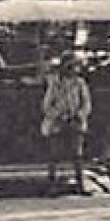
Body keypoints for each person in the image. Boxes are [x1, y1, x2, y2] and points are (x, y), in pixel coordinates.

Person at [40, 52, 92, 196]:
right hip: (58, 122)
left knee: (77, 154)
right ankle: (52, 186)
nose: (76, 69)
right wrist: (57, 115)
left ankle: (80, 184)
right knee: (54, 154)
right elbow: (46, 105)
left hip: (75, 121)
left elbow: (86, 103)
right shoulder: (55, 84)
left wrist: (79, 114)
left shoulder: (80, 83)